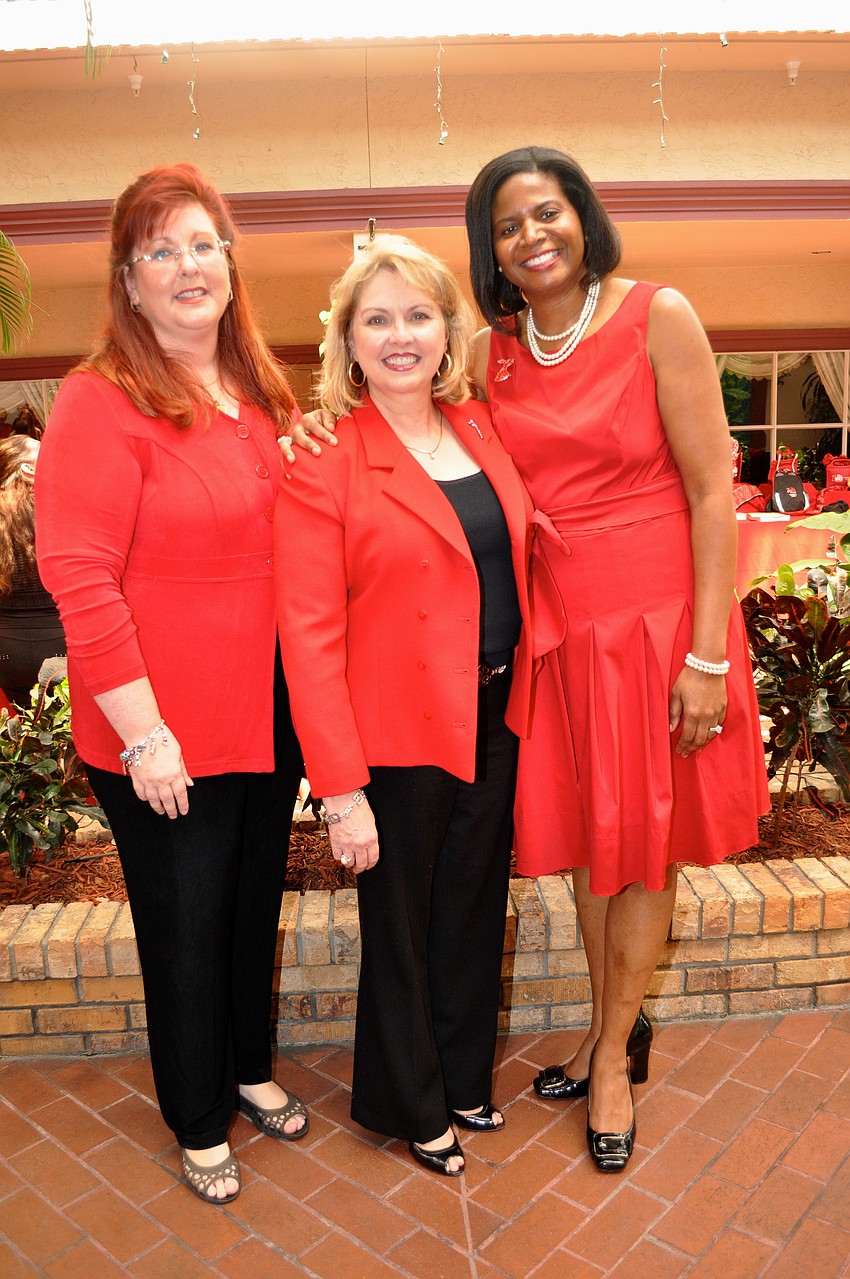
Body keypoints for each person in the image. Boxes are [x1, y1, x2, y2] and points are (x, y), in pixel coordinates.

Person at [463, 146, 769, 1171]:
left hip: (653, 627)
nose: (530, 236)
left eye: (545, 212)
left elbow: (707, 491)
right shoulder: (492, 352)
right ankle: (611, 1029)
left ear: (581, 217)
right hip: (560, 631)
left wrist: (708, 656)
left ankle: (607, 1067)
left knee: (639, 850)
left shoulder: (656, 316)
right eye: (508, 225)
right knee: (595, 848)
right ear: (491, 252)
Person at [35, 163, 308, 1205]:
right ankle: (196, 1114)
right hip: (163, 729)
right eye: (161, 250)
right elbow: (78, 577)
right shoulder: (100, 399)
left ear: (230, 264)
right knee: (184, 923)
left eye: (202, 244)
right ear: (130, 281)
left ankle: (245, 1068)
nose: (187, 266)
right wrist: (145, 735)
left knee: (247, 909)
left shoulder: (262, 396)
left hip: (264, 712)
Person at [275, 236, 539, 1177]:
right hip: (394, 734)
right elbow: (306, 637)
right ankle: (408, 1100)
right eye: (376, 318)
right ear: (347, 339)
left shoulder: (477, 427)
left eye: (418, 315)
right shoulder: (322, 460)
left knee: (469, 906)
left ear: (448, 331)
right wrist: (340, 790)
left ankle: (466, 1077)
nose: (400, 335)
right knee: (400, 923)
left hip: (494, 715)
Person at [0, 436, 65, 707]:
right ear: (28, 470)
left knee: (28, 737)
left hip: (7, 653)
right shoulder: (61, 508)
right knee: (70, 735)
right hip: (64, 648)